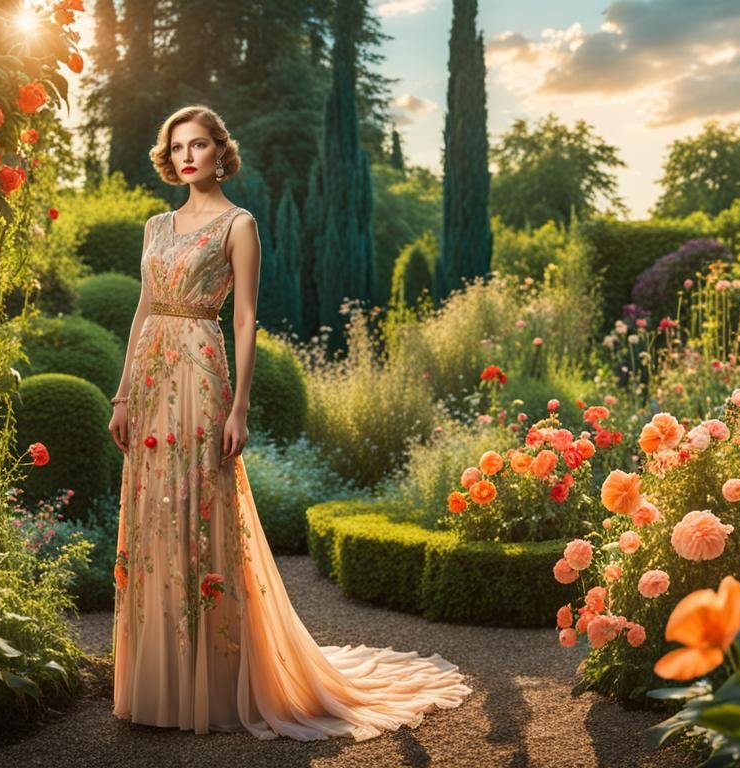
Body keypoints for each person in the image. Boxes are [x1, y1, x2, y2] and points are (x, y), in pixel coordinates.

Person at [106, 105, 471, 741]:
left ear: (221, 151)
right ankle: (157, 679)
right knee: (152, 515)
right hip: (149, 384)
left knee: (197, 513)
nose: (188, 156)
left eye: (199, 144)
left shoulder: (238, 225)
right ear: (170, 157)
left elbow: (245, 319)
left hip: (199, 376)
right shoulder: (155, 226)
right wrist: (120, 394)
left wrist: (239, 405)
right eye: (177, 146)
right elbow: (141, 310)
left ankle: (211, 681)